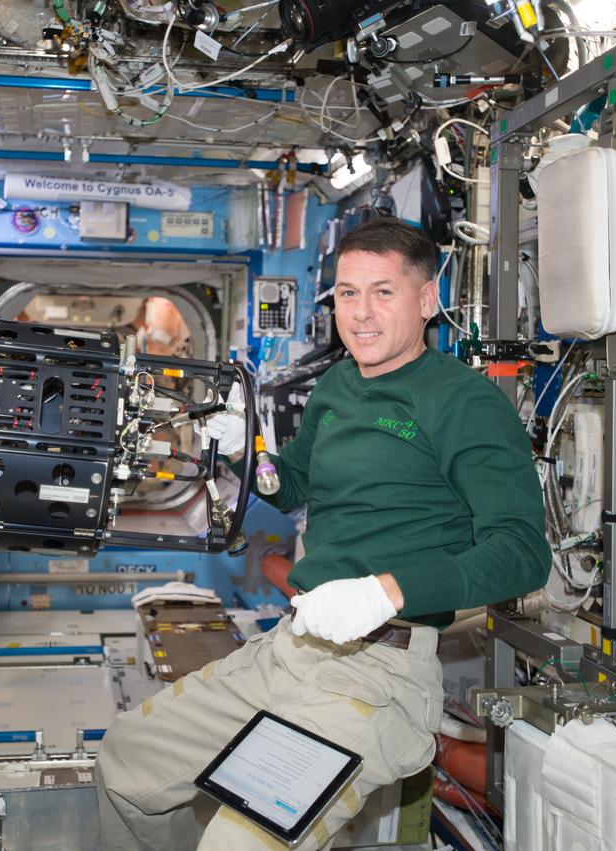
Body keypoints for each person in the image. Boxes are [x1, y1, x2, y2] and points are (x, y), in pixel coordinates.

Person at [95, 218, 550, 850]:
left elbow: (523, 553)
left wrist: (384, 592)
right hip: (292, 648)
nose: (360, 313)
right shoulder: (337, 385)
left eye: (383, 292)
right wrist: (244, 454)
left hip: (375, 673)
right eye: (348, 294)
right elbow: (293, 484)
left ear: (426, 300)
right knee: (125, 761)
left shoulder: (464, 401)